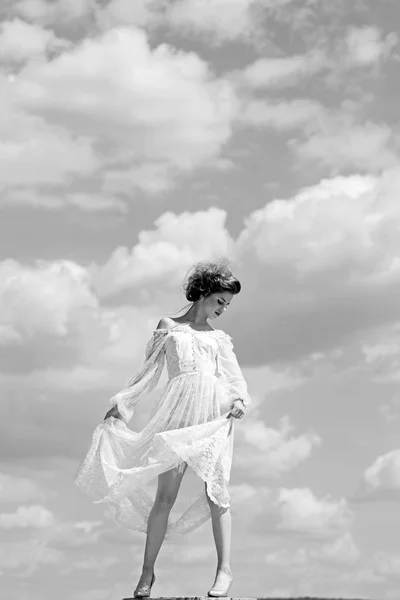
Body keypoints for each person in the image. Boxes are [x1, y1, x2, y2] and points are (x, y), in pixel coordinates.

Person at [74, 261, 251, 597]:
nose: (223, 309)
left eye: (227, 304)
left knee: (217, 494)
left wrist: (240, 400)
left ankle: (224, 571)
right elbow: (148, 373)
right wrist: (123, 404)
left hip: (213, 419)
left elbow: (235, 379)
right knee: (165, 498)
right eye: (220, 301)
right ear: (203, 293)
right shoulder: (168, 327)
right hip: (176, 417)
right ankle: (146, 573)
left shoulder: (218, 338)